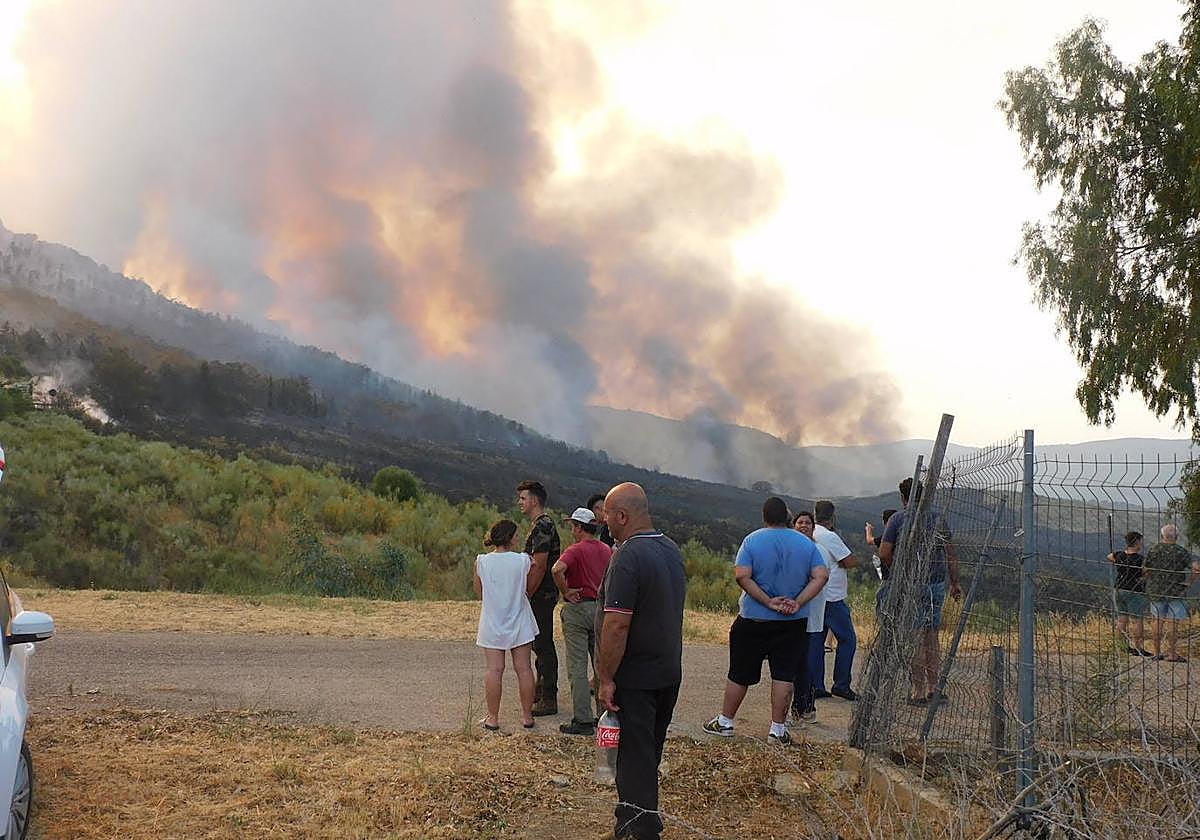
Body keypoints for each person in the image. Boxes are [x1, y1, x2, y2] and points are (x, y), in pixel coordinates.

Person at [596, 483, 686, 840]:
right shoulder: (670, 549)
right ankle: (637, 819)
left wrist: (605, 677)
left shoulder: (628, 556)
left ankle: (639, 830)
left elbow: (617, 623)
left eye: (608, 516)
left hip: (636, 677)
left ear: (623, 516)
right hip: (667, 672)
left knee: (631, 760)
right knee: (647, 754)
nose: (606, 524)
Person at [704, 498, 828, 746]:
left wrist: (767, 601)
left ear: (765, 516)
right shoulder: (806, 543)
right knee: (784, 674)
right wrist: (799, 602)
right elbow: (821, 575)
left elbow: (741, 575)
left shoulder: (752, 540)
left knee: (739, 672)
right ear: (788, 517)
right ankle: (777, 731)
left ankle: (726, 722)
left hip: (753, 619)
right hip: (793, 622)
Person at [879, 478, 961, 705]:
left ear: (903, 497)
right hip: (935, 583)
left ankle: (918, 691)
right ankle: (935, 688)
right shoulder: (937, 519)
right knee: (932, 636)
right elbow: (951, 553)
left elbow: (884, 552)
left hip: (910, 584)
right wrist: (954, 582)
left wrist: (898, 571)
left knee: (915, 636)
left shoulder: (897, 519)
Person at [552, 506, 612, 736]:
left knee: (577, 665)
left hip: (578, 608)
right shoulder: (607, 550)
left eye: (573, 526)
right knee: (599, 664)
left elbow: (557, 569)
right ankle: (602, 715)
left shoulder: (575, 550)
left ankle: (583, 719)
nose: (572, 530)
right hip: (600, 608)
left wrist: (565, 591)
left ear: (579, 527)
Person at [474, 519, 539, 731]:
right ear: (510, 538)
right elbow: (529, 583)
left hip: (493, 620)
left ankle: (493, 718)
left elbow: (479, 592)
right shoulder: (522, 560)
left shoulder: (482, 561)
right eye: (517, 535)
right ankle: (527, 716)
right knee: (524, 669)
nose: (519, 538)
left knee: (494, 669)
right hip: (520, 619)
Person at [517, 479, 560, 715]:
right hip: (541, 594)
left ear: (534, 500)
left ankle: (549, 697)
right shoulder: (539, 524)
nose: (519, 503)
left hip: (541, 595)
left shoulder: (543, 525)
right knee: (538, 643)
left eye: (523, 498)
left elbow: (540, 565)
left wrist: (526, 593)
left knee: (543, 645)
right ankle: (541, 690)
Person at [812, 500, 859, 701]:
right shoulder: (829, 536)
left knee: (817, 641)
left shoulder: (812, 533)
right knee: (848, 640)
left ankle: (816, 684)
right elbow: (849, 561)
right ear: (832, 517)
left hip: (817, 595)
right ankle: (841, 684)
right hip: (832, 596)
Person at [790, 510, 826, 722]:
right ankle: (802, 708)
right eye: (799, 522)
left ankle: (804, 708)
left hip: (811, 617)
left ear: (813, 527)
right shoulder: (793, 548)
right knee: (796, 664)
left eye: (807, 523)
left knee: (806, 665)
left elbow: (820, 580)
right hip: (794, 617)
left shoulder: (818, 550)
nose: (803, 525)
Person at [1145, 524, 1198, 662]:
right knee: (1173, 623)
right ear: (1177, 537)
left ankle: (1156, 653)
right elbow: (1196, 568)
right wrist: (1189, 582)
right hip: (1176, 592)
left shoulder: (1154, 550)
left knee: (1157, 621)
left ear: (1162, 536)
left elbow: (1145, 569)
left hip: (1156, 591)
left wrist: (1153, 577)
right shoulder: (1181, 551)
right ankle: (1172, 654)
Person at [1109, 531, 1150, 656]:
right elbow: (1147, 571)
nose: (1141, 544)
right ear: (1136, 541)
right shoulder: (1140, 559)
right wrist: (1142, 577)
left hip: (1119, 589)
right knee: (1137, 621)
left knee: (1122, 620)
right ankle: (1138, 648)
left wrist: (1118, 563)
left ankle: (1121, 646)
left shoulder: (1120, 555)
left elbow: (1109, 556)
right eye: (1140, 541)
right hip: (1134, 591)